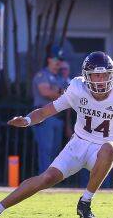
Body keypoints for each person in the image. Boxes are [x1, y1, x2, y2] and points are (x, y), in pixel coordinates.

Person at [0, 51, 113, 218]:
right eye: (95, 75)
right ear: (86, 76)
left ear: (112, 75)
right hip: (79, 143)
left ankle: (85, 203)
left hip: (106, 147)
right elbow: (45, 111)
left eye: (104, 74)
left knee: (109, 149)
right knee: (47, 178)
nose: (100, 80)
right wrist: (26, 120)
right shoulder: (77, 88)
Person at [31, 46, 67, 174]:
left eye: (60, 59)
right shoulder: (42, 75)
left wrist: (58, 92)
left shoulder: (60, 78)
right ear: (49, 59)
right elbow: (45, 92)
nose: (58, 62)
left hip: (58, 118)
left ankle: (51, 180)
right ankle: (43, 180)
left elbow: (68, 94)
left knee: (55, 151)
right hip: (44, 117)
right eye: (56, 58)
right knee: (45, 149)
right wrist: (61, 93)